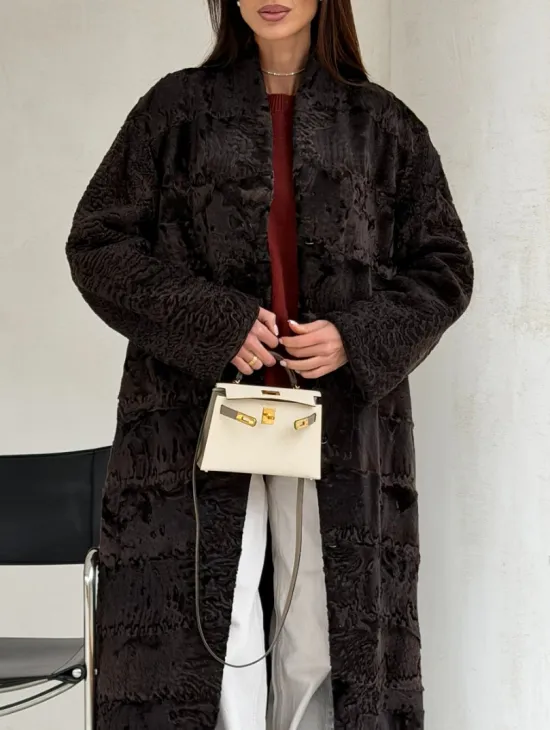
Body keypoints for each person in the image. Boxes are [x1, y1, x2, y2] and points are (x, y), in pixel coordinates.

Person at [66, 1, 474, 728]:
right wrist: (212, 321)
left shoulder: (383, 124)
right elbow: (98, 245)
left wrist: (353, 336)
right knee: (209, 629)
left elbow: (443, 267)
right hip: (195, 419)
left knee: (323, 630)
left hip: (335, 423)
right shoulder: (175, 109)